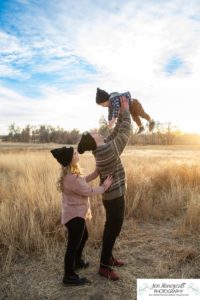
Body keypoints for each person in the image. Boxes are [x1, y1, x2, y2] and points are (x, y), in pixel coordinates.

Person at [78, 97, 131, 281]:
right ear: (95, 142)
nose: (96, 131)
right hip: (114, 197)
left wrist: (120, 115)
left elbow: (116, 132)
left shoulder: (102, 147)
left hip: (112, 195)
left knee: (111, 227)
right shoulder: (106, 151)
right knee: (113, 230)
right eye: (93, 133)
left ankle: (108, 258)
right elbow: (124, 134)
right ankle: (104, 267)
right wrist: (126, 111)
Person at [50, 146, 112, 286]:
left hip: (74, 214)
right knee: (72, 246)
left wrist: (96, 172)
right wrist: (104, 187)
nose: (78, 154)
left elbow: (82, 181)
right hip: (75, 217)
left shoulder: (72, 175)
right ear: (70, 159)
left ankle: (77, 262)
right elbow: (88, 190)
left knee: (83, 237)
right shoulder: (72, 179)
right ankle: (69, 276)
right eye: (75, 153)